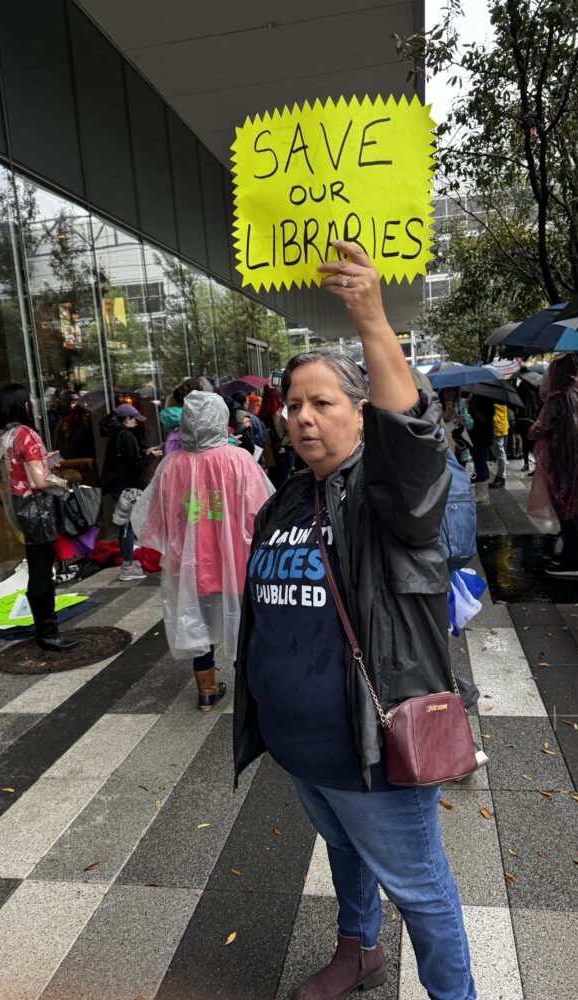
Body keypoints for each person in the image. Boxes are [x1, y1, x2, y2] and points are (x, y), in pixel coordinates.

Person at [233, 240, 476, 1000]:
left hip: (373, 747)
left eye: (323, 403)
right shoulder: (286, 496)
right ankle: (358, 950)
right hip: (303, 749)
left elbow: (414, 439)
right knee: (341, 850)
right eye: (293, 405)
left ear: (361, 414)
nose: (303, 418)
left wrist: (371, 316)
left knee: (423, 890)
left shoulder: (386, 495)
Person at [137, 392, 273, 710]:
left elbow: (153, 516)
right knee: (242, 624)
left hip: (191, 566)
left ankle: (207, 692)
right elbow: (263, 511)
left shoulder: (170, 466)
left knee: (198, 626)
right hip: (236, 563)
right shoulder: (239, 460)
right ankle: (246, 692)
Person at [0, 383, 77, 652]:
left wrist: (42, 462)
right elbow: (39, 480)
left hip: (19, 505)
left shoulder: (4, 435)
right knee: (41, 571)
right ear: (23, 405)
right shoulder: (26, 433)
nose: (34, 402)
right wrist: (63, 484)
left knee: (37, 566)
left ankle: (45, 630)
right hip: (37, 506)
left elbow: (17, 470)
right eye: (30, 399)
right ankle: (47, 633)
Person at [527, 354, 578, 577]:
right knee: (576, 505)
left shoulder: (557, 398)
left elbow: (539, 429)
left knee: (565, 508)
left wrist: (533, 428)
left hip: (560, 460)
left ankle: (572, 560)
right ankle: (573, 552)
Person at [100, 403, 161, 581]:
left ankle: (128, 562)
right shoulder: (127, 436)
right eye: (134, 418)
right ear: (127, 419)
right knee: (127, 526)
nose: (136, 422)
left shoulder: (115, 435)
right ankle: (127, 566)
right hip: (126, 487)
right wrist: (151, 456)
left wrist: (144, 452)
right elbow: (136, 465)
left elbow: (128, 459)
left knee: (126, 525)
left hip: (119, 486)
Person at [259, 385, 295, 487]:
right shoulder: (279, 414)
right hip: (284, 451)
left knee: (273, 480)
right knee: (283, 482)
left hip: (269, 453)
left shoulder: (261, 414)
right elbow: (292, 430)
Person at [467, 391, 495, 503]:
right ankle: (484, 491)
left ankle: (481, 495)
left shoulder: (484, 398)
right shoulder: (475, 396)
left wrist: (472, 405)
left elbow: (483, 418)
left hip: (481, 437)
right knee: (480, 463)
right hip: (477, 437)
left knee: (480, 464)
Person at [441, 387, 474, 468]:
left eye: (454, 390)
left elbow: (470, 426)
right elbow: (433, 427)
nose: (452, 393)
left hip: (461, 449)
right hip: (445, 449)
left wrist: (463, 418)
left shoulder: (460, 405)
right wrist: (442, 420)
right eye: (448, 390)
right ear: (442, 393)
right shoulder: (437, 406)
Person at [491, 402, 508, 488]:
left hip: (498, 425)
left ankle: (501, 477)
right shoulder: (499, 395)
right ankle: (500, 476)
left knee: (500, 451)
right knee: (498, 450)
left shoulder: (498, 397)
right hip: (498, 424)